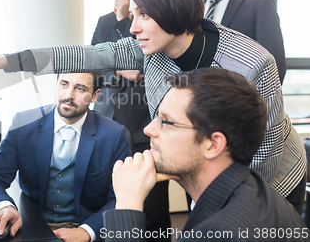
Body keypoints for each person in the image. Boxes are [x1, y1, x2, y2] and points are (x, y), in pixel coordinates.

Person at [0, 0, 306, 215]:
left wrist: (206, 208)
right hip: (209, 177)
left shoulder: (251, 63)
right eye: (133, 15)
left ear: (173, 12)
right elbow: (84, 54)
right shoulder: (151, 49)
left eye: (143, 15)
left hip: (273, 178)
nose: (132, 27)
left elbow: (262, 154)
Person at [103, 68, 308, 241]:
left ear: (213, 145)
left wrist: (127, 204)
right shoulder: (251, 185)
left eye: (165, 121)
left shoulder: (220, 232)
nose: (148, 129)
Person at [0, 72, 131, 242]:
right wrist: (5, 207)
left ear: (95, 95)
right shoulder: (23, 123)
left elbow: (123, 199)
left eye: (80, 88)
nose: (68, 95)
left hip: (84, 228)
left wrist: (87, 231)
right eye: (64, 84)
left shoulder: (114, 135)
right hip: (30, 227)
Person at [90, 0, 169, 240]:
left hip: (141, 126)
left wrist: (125, 19)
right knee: (114, 199)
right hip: (107, 123)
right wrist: (117, 70)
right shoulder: (102, 22)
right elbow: (94, 67)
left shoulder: (154, 20)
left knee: (152, 205)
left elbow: (139, 68)